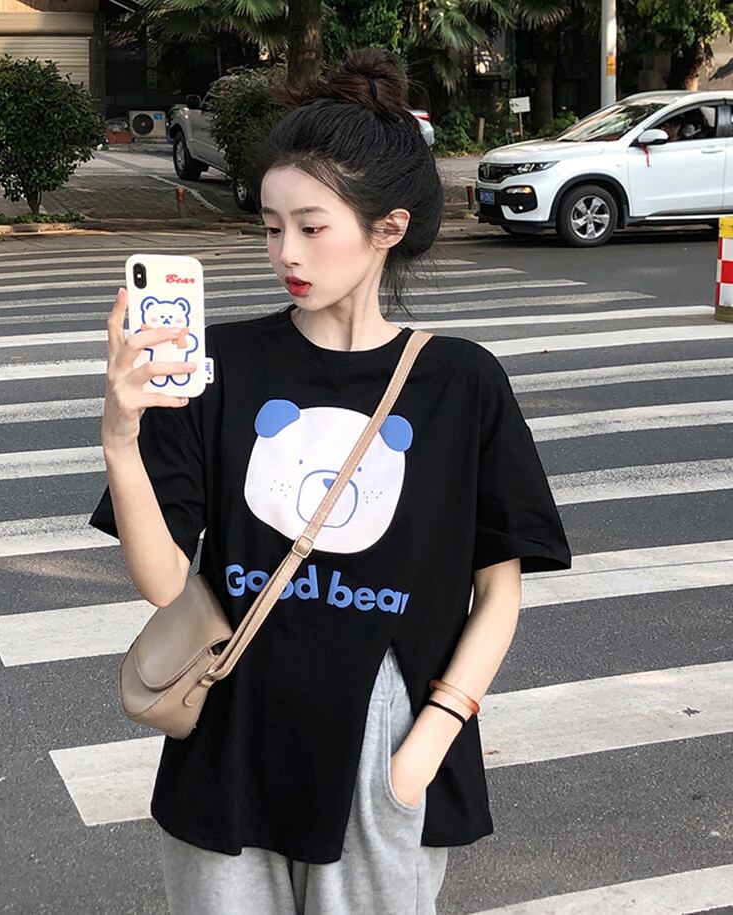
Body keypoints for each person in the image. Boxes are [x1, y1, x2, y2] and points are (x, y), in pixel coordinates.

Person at [88, 46, 572, 915]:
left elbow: (500, 588)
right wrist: (122, 439)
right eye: (272, 226)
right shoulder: (222, 364)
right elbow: (163, 582)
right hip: (229, 739)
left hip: (382, 737)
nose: (287, 252)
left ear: (387, 227)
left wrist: (421, 749)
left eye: (312, 227)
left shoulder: (461, 381)